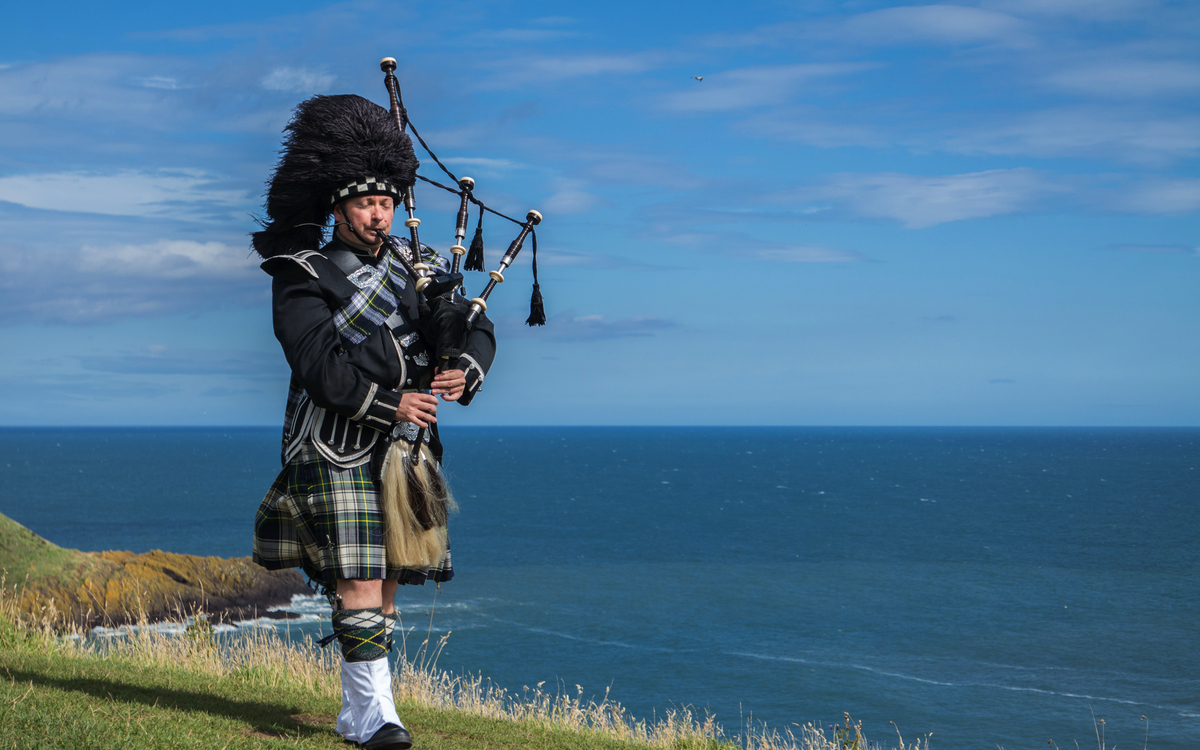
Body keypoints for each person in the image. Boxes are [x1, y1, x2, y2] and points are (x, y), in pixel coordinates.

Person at [249, 94, 495, 750]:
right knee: (358, 577)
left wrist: (465, 369)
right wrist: (394, 402)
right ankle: (377, 718)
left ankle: (360, 713)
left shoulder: (422, 269)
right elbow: (317, 366)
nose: (378, 214)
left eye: (386, 202)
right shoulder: (301, 275)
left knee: (386, 584)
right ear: (337, 209)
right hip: (334, 445)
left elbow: (479, 328)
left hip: (406, 451)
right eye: (365, 203)